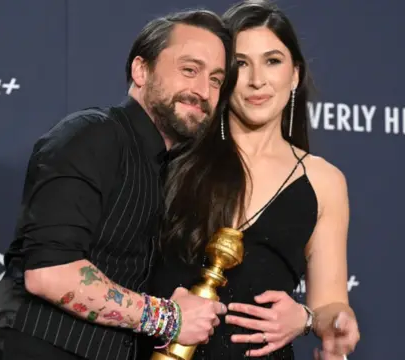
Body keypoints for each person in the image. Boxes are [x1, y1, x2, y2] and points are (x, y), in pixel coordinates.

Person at [0, 9, 238, 360]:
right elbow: (51, 273)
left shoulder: (166, 170)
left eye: (215, 80)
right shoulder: (92, 134)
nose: (202, 90)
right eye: (189, 70)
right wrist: (169, 318)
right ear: (141, 70)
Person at [143, 1, 360, 359]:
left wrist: (313, 319)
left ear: (295, 75)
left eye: (272, 61)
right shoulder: (177, 154)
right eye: (241, 64)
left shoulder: (323, 180)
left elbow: (331, 304)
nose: (257, 80)